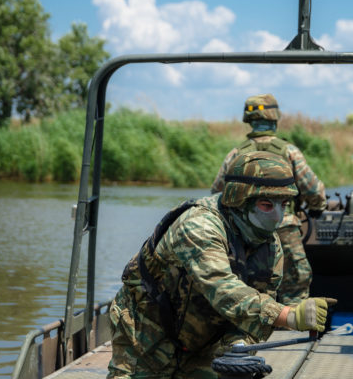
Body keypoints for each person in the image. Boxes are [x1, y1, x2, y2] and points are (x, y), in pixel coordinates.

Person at [107, 151, 335, 379]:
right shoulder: (200, 225)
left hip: (204, 344)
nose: (277, 217)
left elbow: (258, 304)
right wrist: (289, 315)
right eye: (266, 205)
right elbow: (222, 289)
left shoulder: (270, 245)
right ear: (240, 199)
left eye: (284, 205)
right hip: (145, 336)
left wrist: (238, 346)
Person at [211, 94, 326, 305]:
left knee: (248, 287)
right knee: (295, 284)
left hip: (243, 233)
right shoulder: (289, 151)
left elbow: (218, 192)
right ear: (275, 119)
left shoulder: (236, 154)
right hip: (283, 227)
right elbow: (313, 191)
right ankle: (294, 329)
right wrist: (318, 207)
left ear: (249, 120)